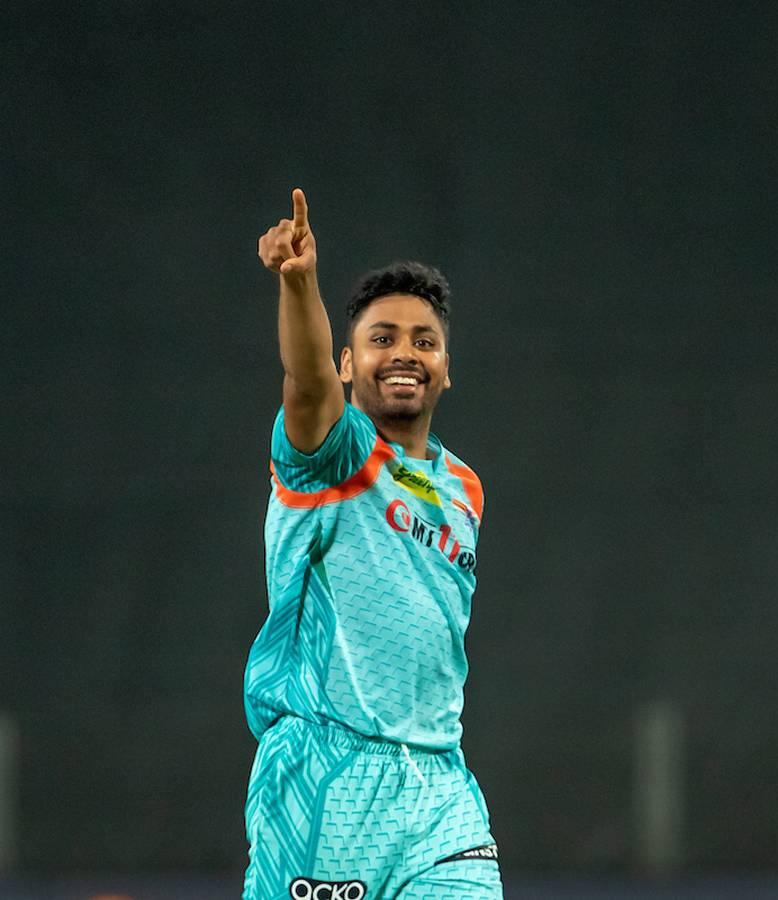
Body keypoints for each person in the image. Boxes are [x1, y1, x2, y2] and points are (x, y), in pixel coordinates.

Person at [242, 189, 502, 899]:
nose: (405, 353)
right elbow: (305, 383)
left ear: (446, 367)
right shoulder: (334, 453)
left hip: (439, 785)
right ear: (348, 363)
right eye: (382, 338)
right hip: (323, 779)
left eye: (424, 341)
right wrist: (299, 285)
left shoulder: (464, 487)